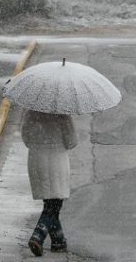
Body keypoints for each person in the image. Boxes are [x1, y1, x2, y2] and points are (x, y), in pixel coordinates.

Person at [21, 109, 78, 256]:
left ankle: (59, 241)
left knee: (50, 203)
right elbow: (72, 141)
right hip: (56, 161)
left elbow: (26, 138)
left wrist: (39, 143)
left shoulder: (30, 111)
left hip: (36, 160)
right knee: (55, 204)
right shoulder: (63, 112)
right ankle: (38, 236)